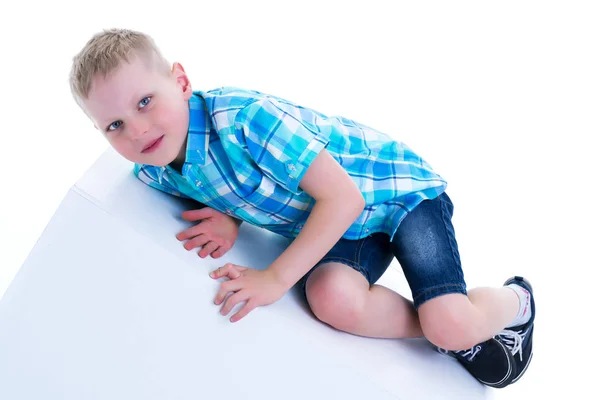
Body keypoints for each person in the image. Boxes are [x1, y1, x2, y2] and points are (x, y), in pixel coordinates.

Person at [69, 28, 535, 389]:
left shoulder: (243, 117)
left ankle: (515, 303)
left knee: (451, 324)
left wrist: (274, 279)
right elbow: (223, 181)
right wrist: (229, 218)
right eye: (114, 125)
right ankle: (447, 332)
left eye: (145, 102)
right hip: (342, 230)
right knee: (332, 299)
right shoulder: (154, 169)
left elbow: (345, 198)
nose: (137, 131)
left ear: (182, 81)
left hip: (392, 193)